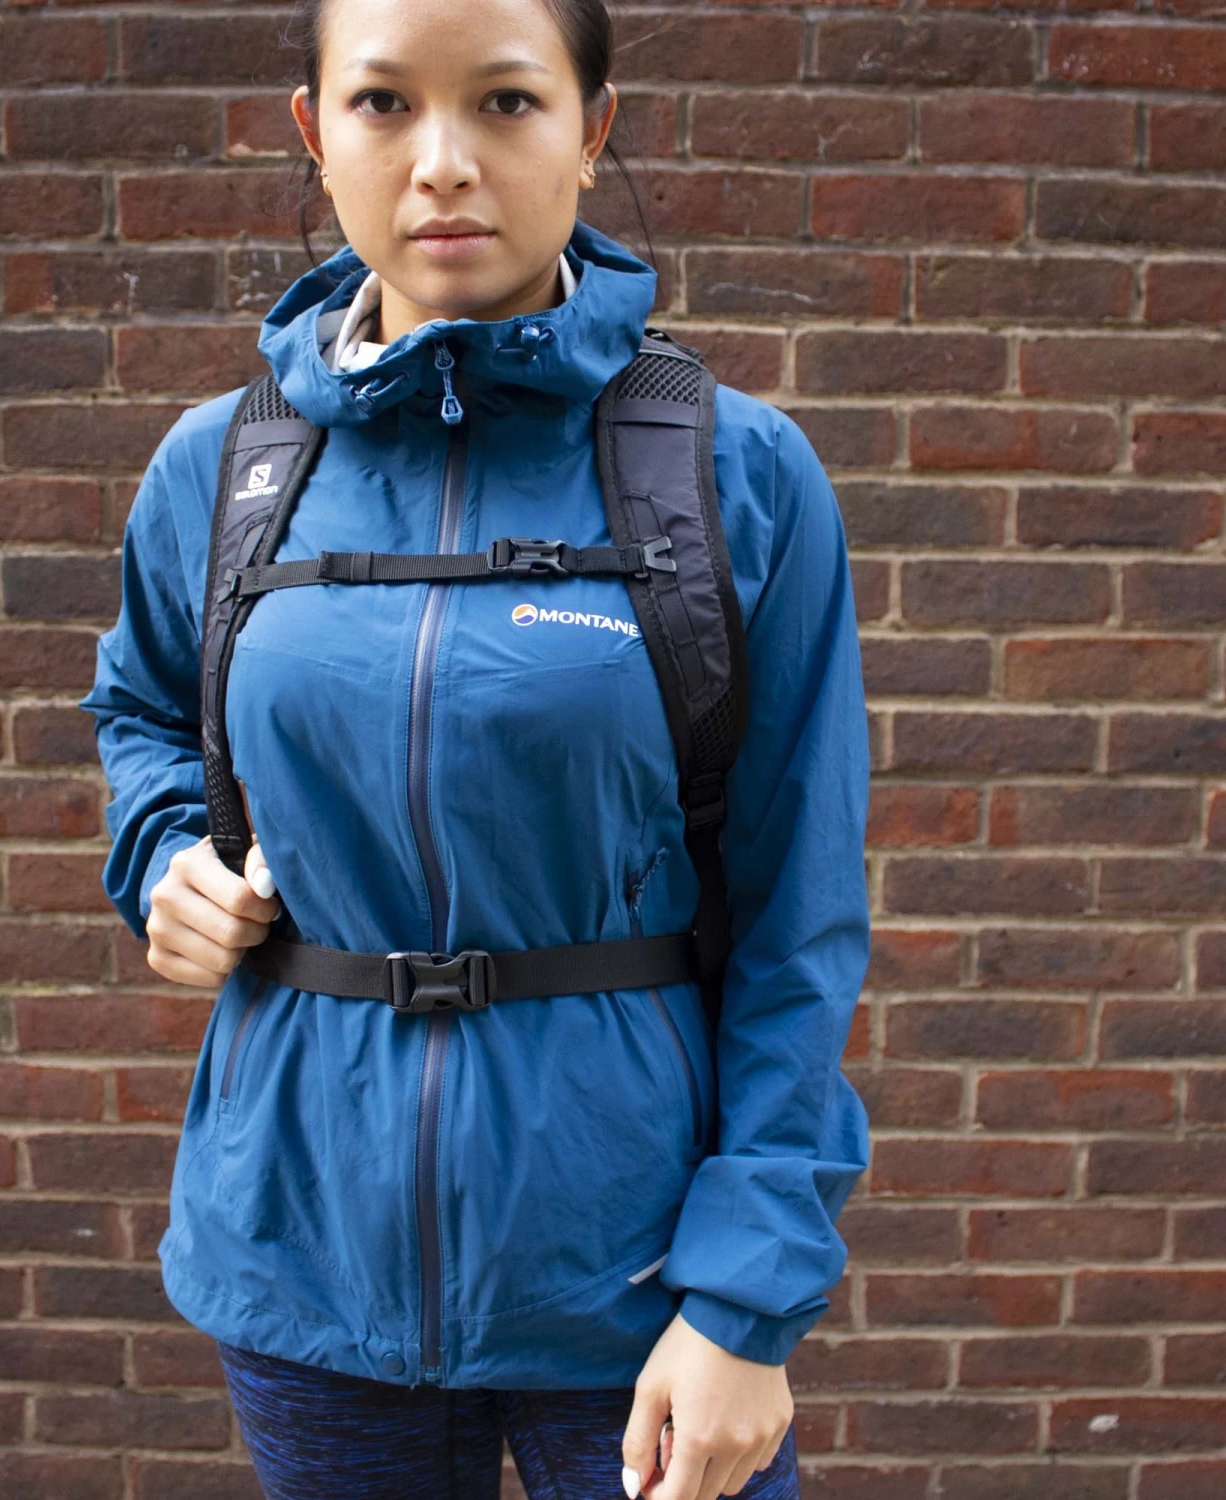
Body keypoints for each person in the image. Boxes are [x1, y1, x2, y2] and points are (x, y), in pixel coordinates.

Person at [77, 0, 871, 1493]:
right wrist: (165, 850)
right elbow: (145, 711)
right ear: (317, 134)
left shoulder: (730, 470)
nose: (442, 161)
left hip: (638, 1280)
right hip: (307, 1252)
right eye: (384, 104)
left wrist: (745, 1299)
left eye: (506, 102)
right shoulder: (226, 468)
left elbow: (800, 917)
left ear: (593, 129)